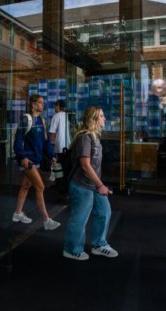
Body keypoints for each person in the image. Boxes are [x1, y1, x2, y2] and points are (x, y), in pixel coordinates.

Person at [63, 106, 118, 260]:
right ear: (93, 119)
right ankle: (71, 249)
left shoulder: (94, 136)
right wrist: (100, 185)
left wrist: (98, 185)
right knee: (80, 218)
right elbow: (85, 165)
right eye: (101, 116)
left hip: (93, 184)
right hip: (81, 185)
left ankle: (99, 244)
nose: (104, 119)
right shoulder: (85, 137)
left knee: (104, 212)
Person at [12, 94, 61, 231]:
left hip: (36, 159)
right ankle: (46, 220)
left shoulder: (41, 120)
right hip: (28, 161)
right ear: (33, 104)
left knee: (25, 186)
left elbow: (45, 143)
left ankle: (17, 213)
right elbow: (17, 142)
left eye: (42, 103)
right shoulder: (26, 119)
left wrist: (52, 155)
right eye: (39, 103)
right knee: (40, 187)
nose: (42, 105)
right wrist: (23, 157)